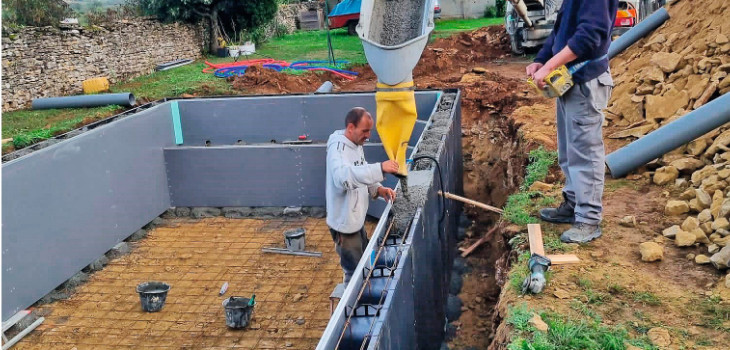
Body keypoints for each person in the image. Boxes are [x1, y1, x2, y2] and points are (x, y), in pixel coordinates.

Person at [526, 0, 618, 243]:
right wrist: (541, 59)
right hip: (569, 81)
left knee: (585, 154)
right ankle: (573, 204)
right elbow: (560, 32)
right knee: (569, 150)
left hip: (586, 82)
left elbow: (589, 36)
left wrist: (550, 65)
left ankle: (588, 219)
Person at [326, 107, 398, 283]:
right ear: (351, 128)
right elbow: (343, 178)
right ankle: (352, 308)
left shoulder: (355, 144)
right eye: (364, 131)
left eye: (369, 131)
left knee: (364, 261)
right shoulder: (338, 150)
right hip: (344, 223)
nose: (368, 135)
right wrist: (380, 168)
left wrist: (377, 188)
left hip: (355, 217)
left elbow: (360, 165)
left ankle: (365, 291)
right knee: (354, 273)